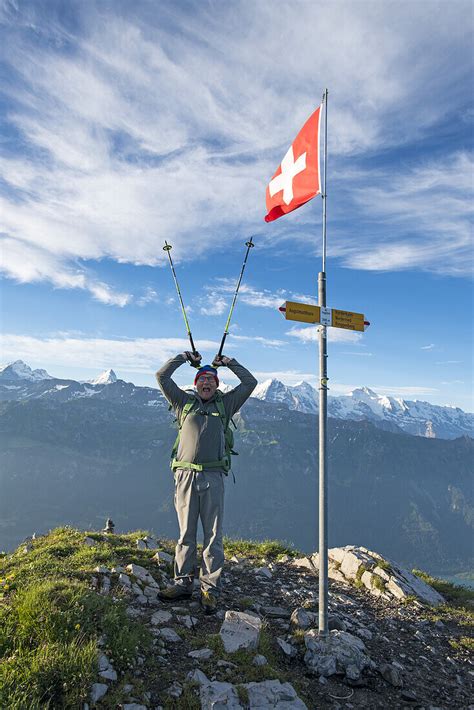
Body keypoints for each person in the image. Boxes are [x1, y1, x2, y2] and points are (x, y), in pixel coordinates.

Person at [155, 351, 257, 614]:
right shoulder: (182, 402)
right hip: (185, 475)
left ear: (218, 385)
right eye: (203, 380)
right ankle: (182, 583)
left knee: (213, 536)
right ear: (196, 383)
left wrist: (230, 363)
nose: (207, 383)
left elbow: (250, 383)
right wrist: (183, 357)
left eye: (211, 380)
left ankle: (209, 589)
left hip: (213, 476)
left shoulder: (227, 405)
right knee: (185, 534)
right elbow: (162, 377)